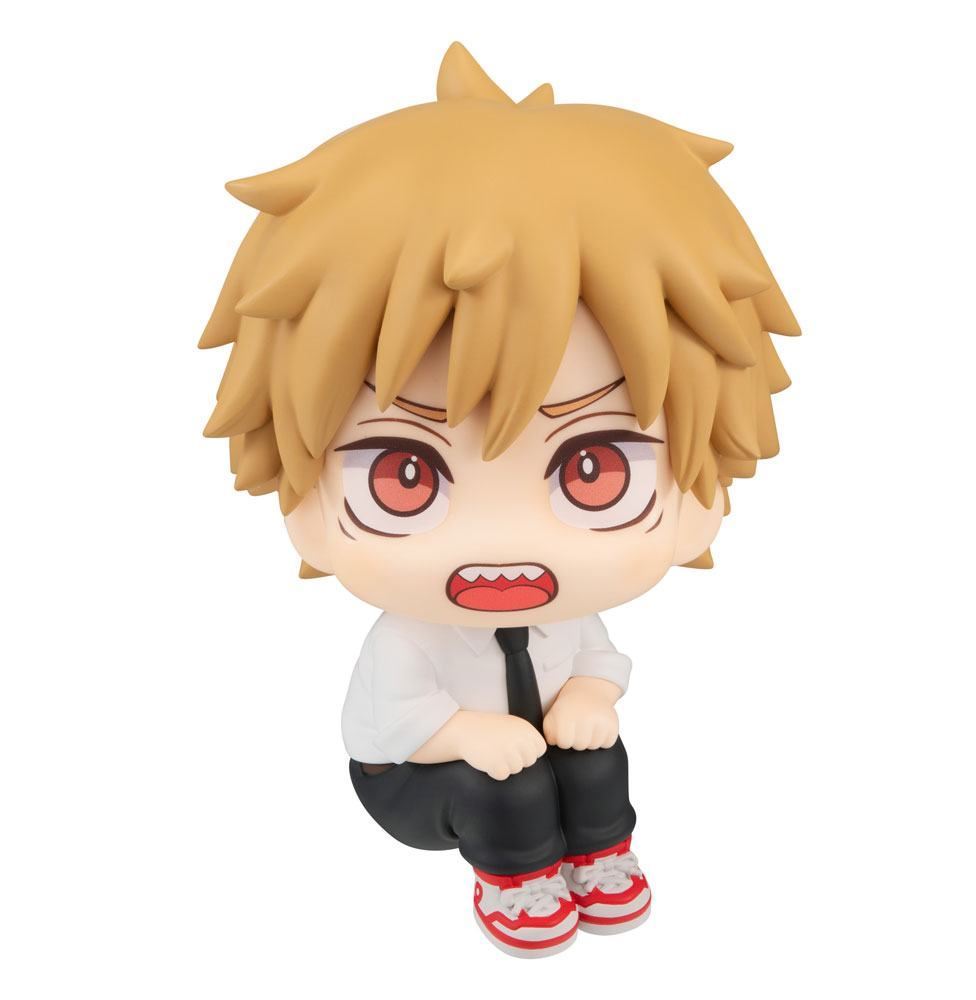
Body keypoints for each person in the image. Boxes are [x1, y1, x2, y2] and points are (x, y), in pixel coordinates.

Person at [200, 42, 799, 958]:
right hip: (417, 778)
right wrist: (469, 732)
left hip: (535, 752)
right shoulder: (411, 638)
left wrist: (590, 696)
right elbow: (392, 722)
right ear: (301, 485)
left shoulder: (567, 615)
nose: (506, 543)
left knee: (596, 756)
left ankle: (600, 855)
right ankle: (516, 880)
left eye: (595, 469)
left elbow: (598, 662)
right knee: (507, 785)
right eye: (404, 474)